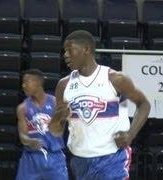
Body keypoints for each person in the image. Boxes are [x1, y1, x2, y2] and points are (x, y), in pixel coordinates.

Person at [49, 30, 151, 179]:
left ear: (86, 49)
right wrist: (58, 117)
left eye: (69, 50)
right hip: (79, 159)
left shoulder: (115, 79)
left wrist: (130, 134)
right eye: (64, 51)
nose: (65, 55)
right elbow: (56, 131)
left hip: (112, 158)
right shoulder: (63, 85)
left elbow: (144, 104)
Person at [15, 69, 68, 180]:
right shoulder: (22, 108)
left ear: (37, 83)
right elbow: (22, 136)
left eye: (26, 82)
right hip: (31, 158)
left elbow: (61, 129)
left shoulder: (55, 103)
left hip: (54, 156)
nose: (23, 85)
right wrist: (28, 141)